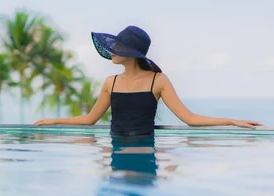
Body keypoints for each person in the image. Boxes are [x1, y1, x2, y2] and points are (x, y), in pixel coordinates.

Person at [34, 25, 263, 136]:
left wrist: (232, 121)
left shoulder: (158, 81)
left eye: (118, 47)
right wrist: (52, 121)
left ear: (132, 52)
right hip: (116, 151)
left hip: (146, 152)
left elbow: (190, 118)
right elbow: (90, 119)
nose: (112, 51)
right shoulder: (109, 83)